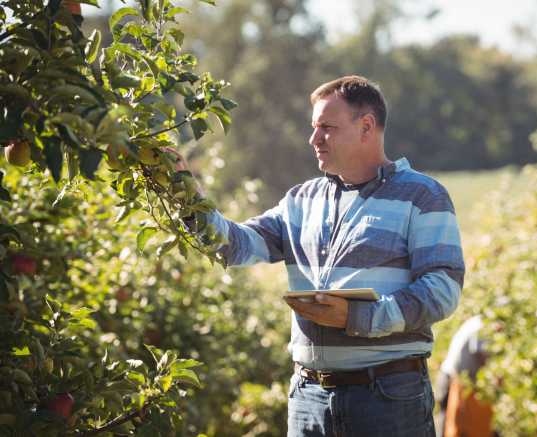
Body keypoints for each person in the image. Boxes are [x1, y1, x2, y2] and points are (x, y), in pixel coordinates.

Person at [172, 75, 465, 437]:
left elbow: (442, 290)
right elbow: (235, 245)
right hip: (308, 399)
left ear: (366, 127)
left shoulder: (422, 196)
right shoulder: (301, 200)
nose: (314, 139)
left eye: (327, 127)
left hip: (387, 400)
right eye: (314, 127)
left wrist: (360, 316)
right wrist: (186, 197)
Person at [434, 316, 493, 437]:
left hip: (453, 378)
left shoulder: (479, 321)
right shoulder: (484, 325)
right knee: (451, 426)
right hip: (452, 380)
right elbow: (482, 353)